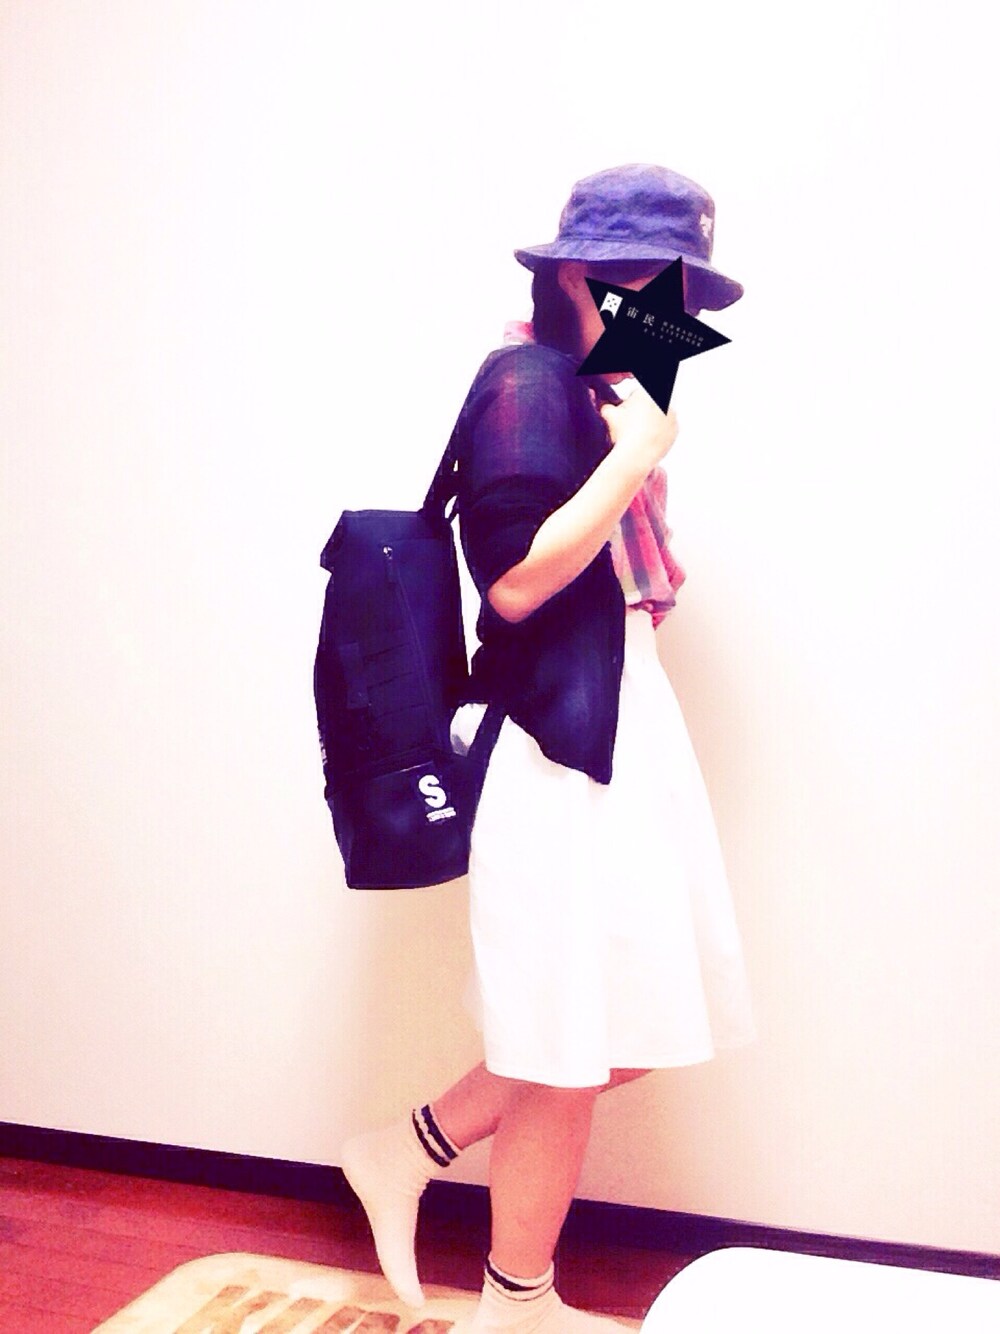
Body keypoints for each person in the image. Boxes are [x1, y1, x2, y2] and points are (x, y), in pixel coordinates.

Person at [342, 164, 757, 1333]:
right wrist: (635, 455)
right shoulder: (524, 380)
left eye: (675, 288)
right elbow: (515, 584)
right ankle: (508, 1290)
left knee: (607, 1025)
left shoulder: (598, 387)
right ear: (572, 275)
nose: (662, 308)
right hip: (555, 747)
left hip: (614, 727)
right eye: (639, 281)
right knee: (578, 1029)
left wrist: (634, 439)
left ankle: (435, 1182)